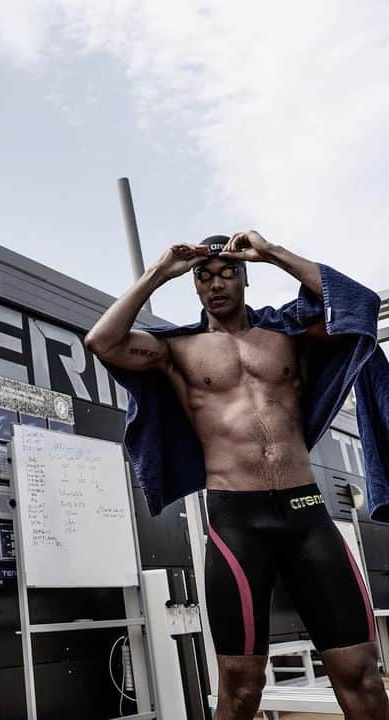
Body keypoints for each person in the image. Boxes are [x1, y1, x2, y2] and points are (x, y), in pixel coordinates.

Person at [86, 232, 389, 720]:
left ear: (246, 278)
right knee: (240, 687)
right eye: (204, 277)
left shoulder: (289, 336)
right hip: (237, 522)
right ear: (195, 288)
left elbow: (360, 304)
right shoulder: (177, 351)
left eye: (228, 272)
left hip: (307, 514)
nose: (216, 283)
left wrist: (273, 253)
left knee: (362, 673)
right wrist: (159, 272)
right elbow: (102, 341)